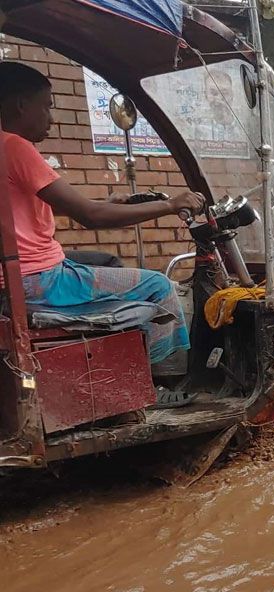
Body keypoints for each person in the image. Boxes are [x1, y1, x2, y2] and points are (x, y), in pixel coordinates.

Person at [0, 62, 203, 401]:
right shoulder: (15, 147)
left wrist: (109, 202)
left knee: (108, 262)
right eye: (47, 106)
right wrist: (170, 205)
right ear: (21, 104)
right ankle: (157, 389)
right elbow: (90, 217)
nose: (51, 118)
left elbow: (61, 204)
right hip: (39, 280)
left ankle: (127, 352)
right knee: (158, 286)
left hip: (19, 275)